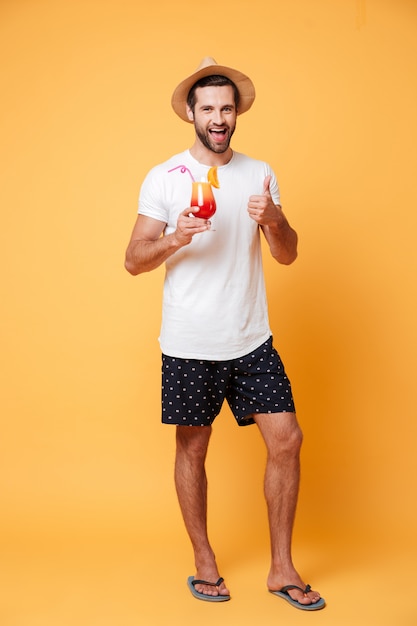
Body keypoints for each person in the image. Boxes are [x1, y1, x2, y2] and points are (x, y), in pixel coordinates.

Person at [125, 57, 325, 611]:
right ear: (192, 113)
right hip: (189, 343)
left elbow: (286, 255)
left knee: (287, 439)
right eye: (208, 108)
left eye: (226, 109)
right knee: (193, 447)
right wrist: (175, 238)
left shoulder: (260, 174)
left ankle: (281, 567)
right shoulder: (164, 178)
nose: (218, 118)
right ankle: (204, 560)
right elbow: (132, 260)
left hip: (251, 337)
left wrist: (275, 220)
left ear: (236, 115)